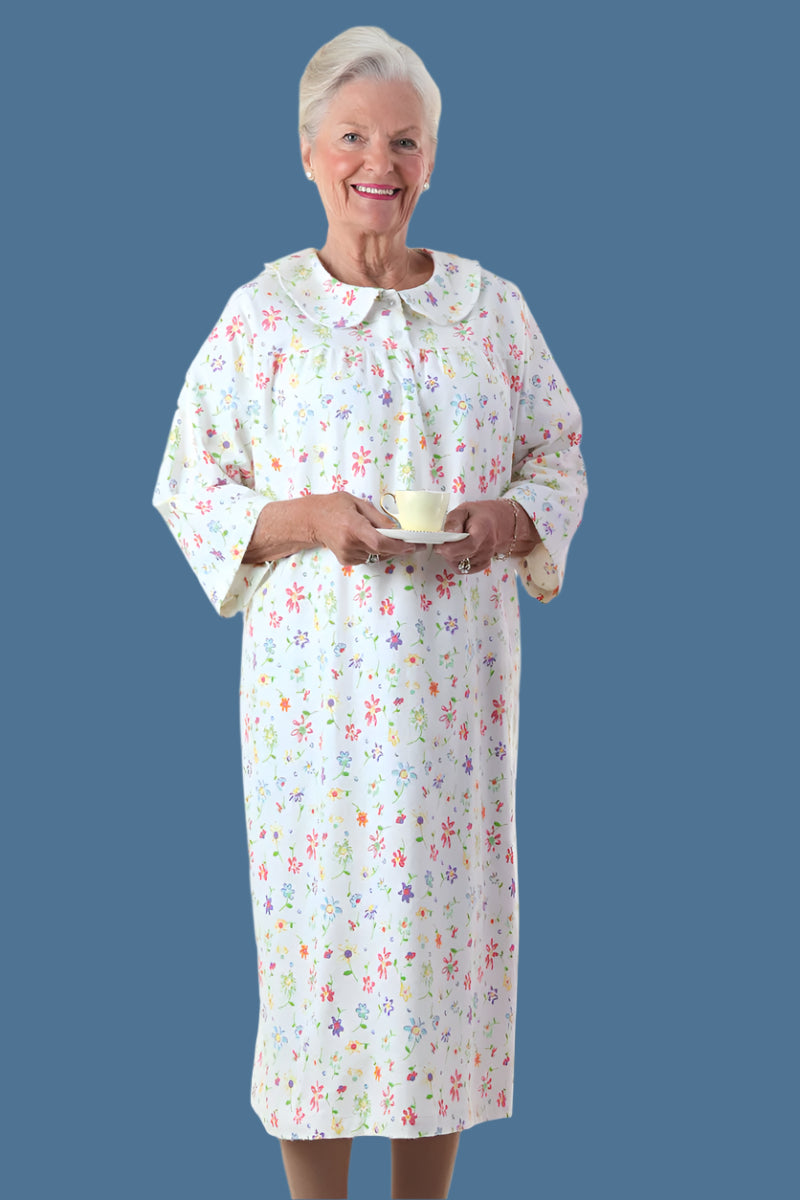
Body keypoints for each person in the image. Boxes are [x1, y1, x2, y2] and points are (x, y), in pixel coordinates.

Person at [153, 25, 586, 1200]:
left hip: (453, 711)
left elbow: (558, 452)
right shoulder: (265, 316)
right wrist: (304, 519)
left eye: (402, 141)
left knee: (436, 966)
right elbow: (189, 481)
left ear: (431, 159)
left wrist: (512, 516)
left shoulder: (490, 311)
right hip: (316, 719)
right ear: (307, 153)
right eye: (351, 137)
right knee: (322, 965)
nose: (375, 163)